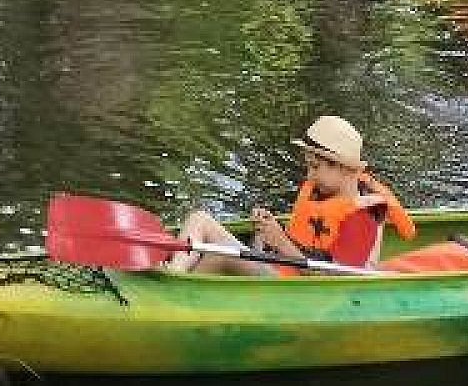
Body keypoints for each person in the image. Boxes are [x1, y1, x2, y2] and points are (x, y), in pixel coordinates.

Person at [166, 116, 404, 275]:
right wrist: (269, 232)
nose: (309, 176)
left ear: (343, 168)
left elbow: (333, 277)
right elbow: (305, 242)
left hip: (302, 291)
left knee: (216, 253)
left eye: (315, 167)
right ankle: (174, 274)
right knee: (200, 222)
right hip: (283, 268)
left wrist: (280, 241)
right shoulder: (322, 193)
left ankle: (174, 291)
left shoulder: (363, 215)